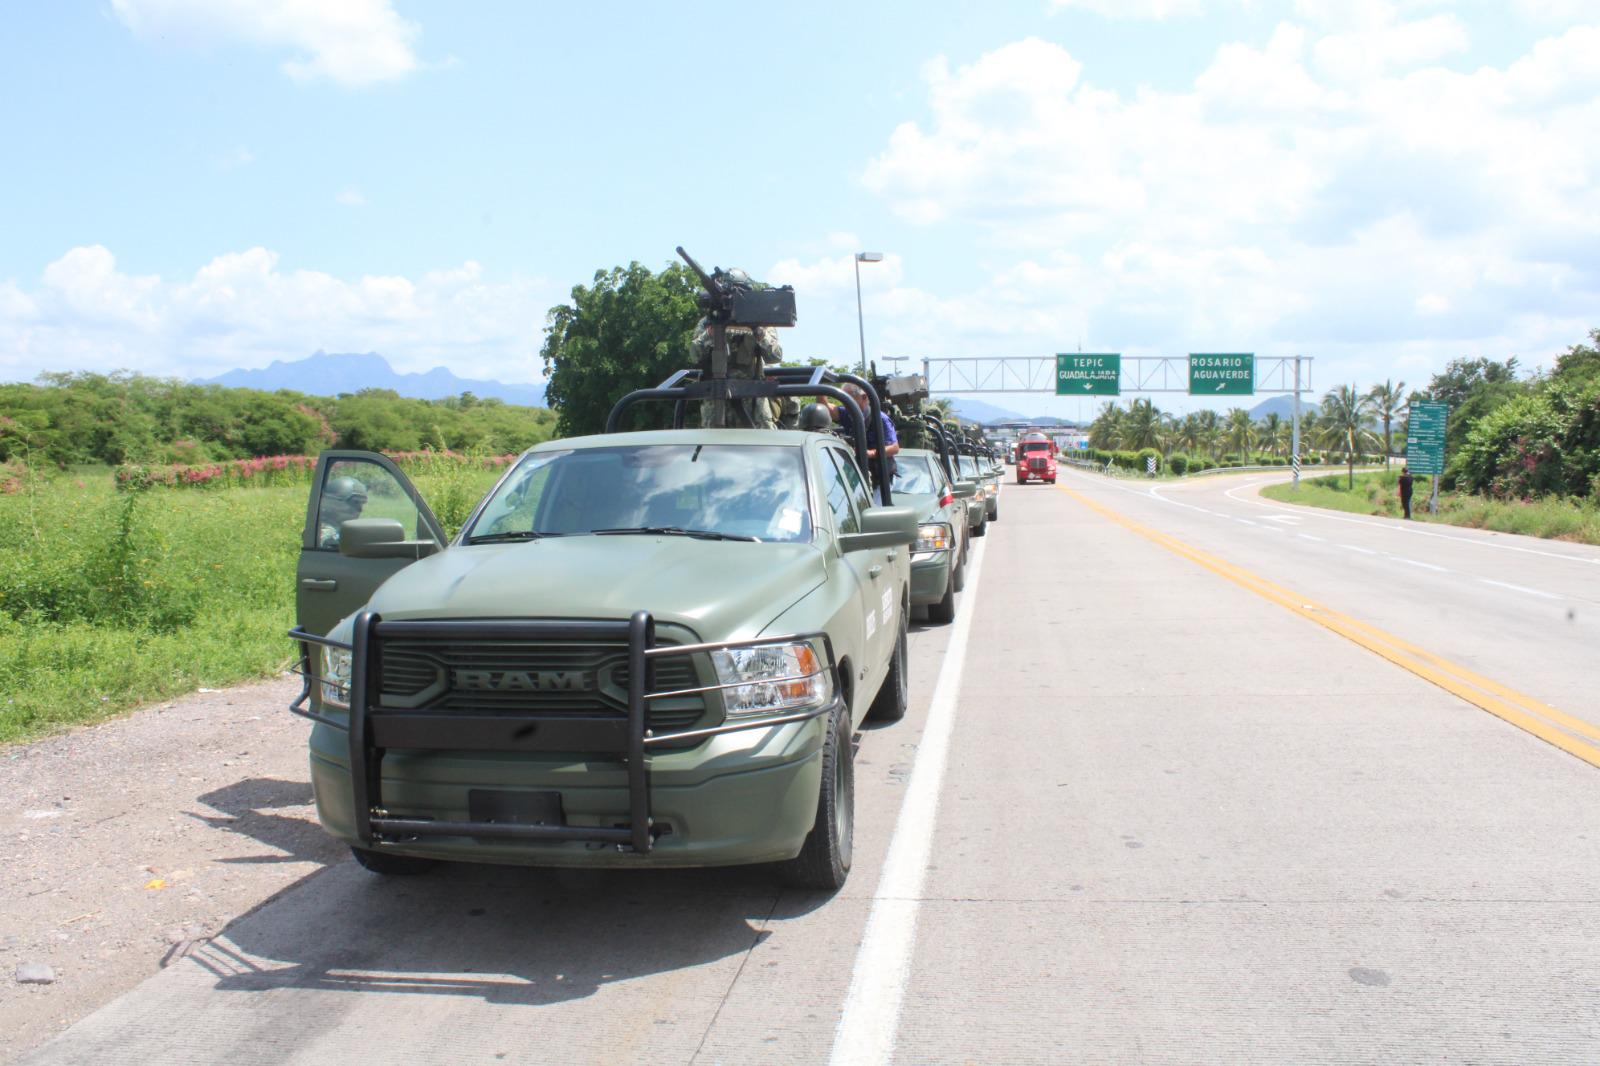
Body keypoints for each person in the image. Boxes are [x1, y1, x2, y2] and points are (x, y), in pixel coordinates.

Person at [836, 382, 899, 481]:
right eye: (843, 399)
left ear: (864, 397)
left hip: (880, 480)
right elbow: (828, 409)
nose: (846, 403)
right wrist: (821, 391)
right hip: (856, 477)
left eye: (849, 399)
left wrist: (870, 453)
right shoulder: (847, 413)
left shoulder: (880, 419)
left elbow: (894, 448)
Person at [318, 475, 368, 548]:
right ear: (333, 503)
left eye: (361, 504)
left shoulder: (342, 530)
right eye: (355, 503)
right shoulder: (323, 533)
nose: (360, 509)